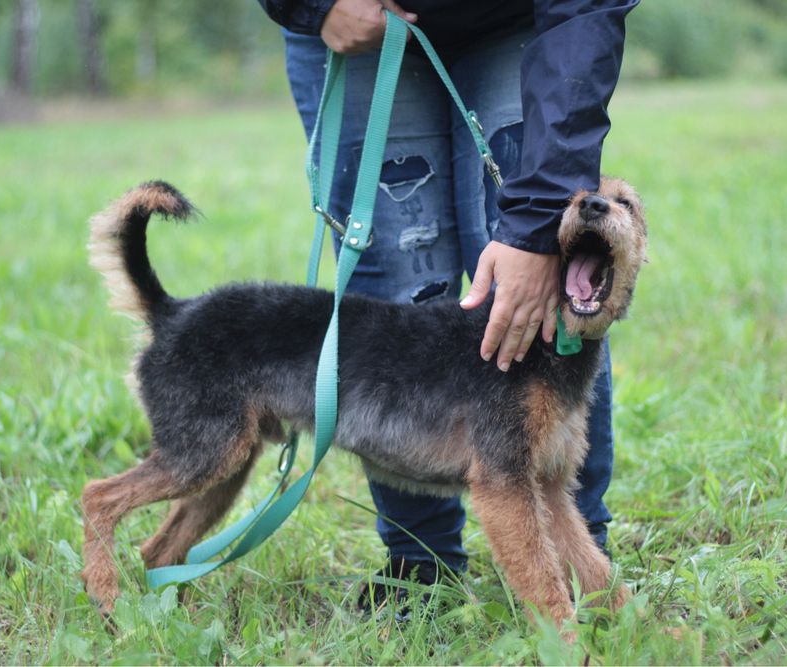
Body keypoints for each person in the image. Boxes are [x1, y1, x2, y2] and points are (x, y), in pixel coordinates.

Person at [257, 0, 638, 607]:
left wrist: (536, 227)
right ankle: (420, 562)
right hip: (354, 25)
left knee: (559, 279)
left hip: (518, 23)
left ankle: (577, 553)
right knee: (395, 289)